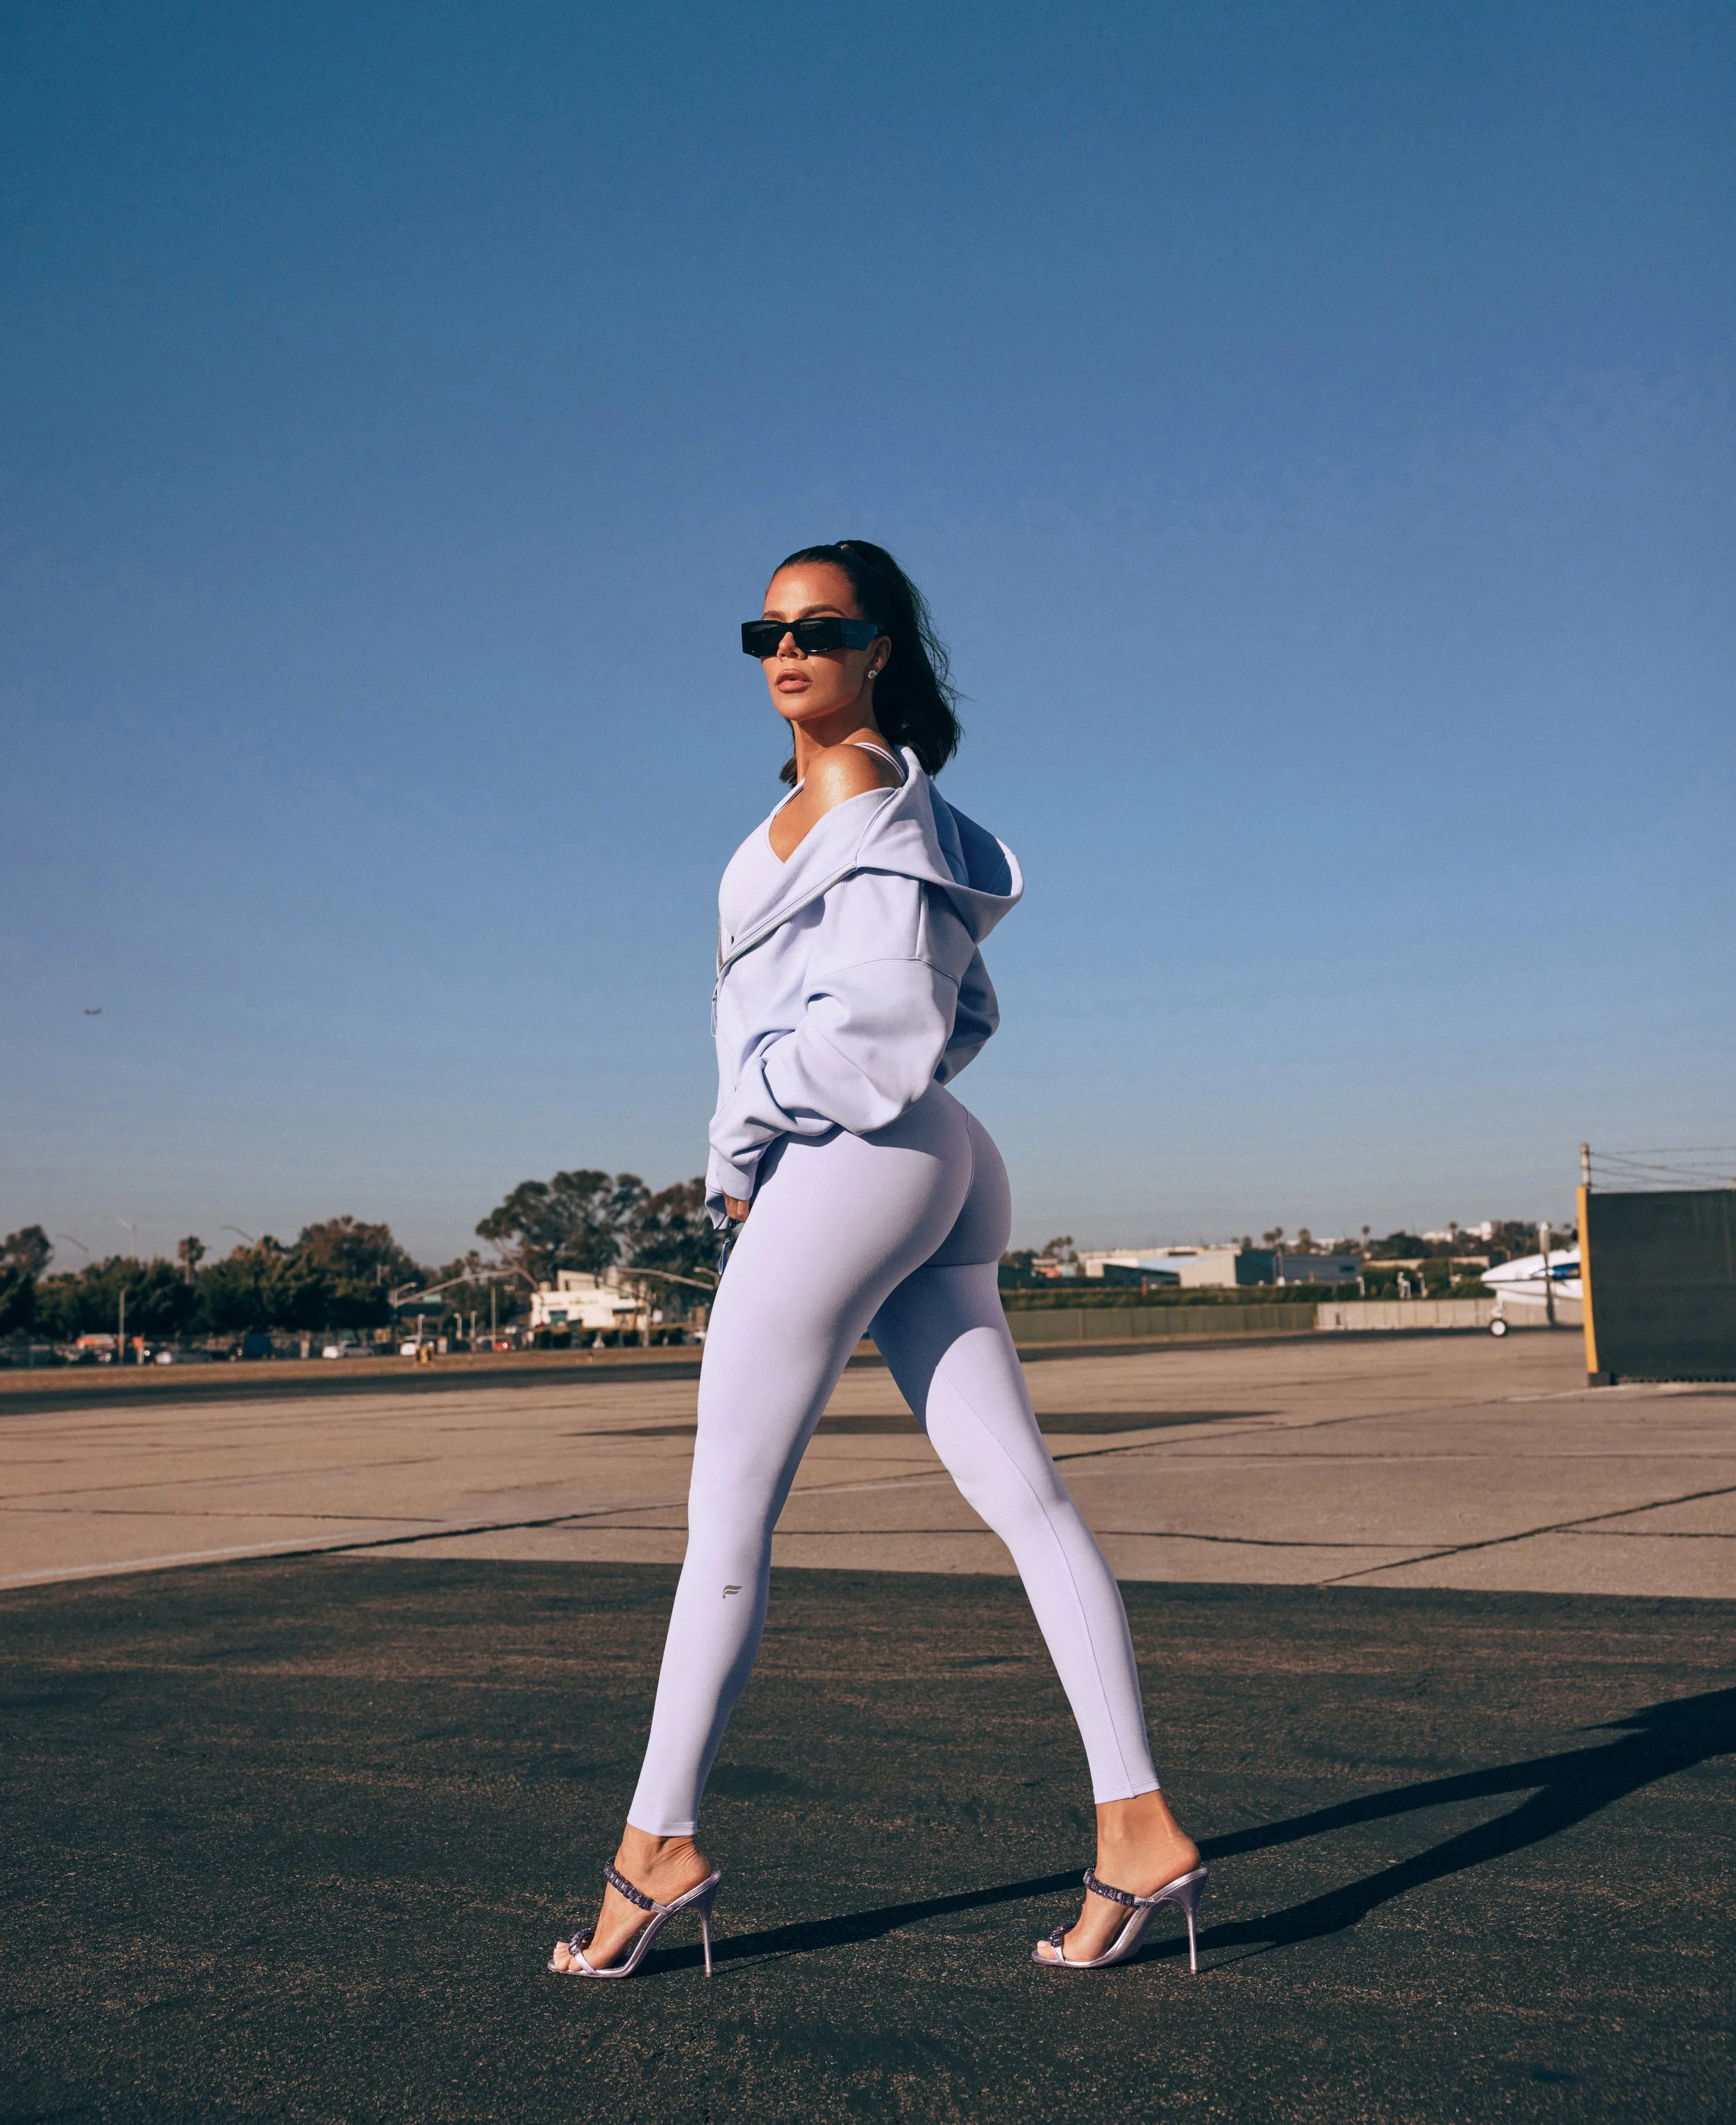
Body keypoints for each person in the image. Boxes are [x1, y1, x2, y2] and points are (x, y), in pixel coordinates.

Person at [550, 540, 1205, 1980]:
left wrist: (743, 1132)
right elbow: (950, 1020)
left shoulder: (860, 793)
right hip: (929, 1157)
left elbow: (894, 1020)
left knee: (725, 1516)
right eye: (763, 631)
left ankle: (656, 1849)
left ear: (880, 650)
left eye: (820, 628)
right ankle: (1135, 1828)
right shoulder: (832, 808)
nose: (785, 652)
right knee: (1023, 1499)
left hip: (853, 1161)